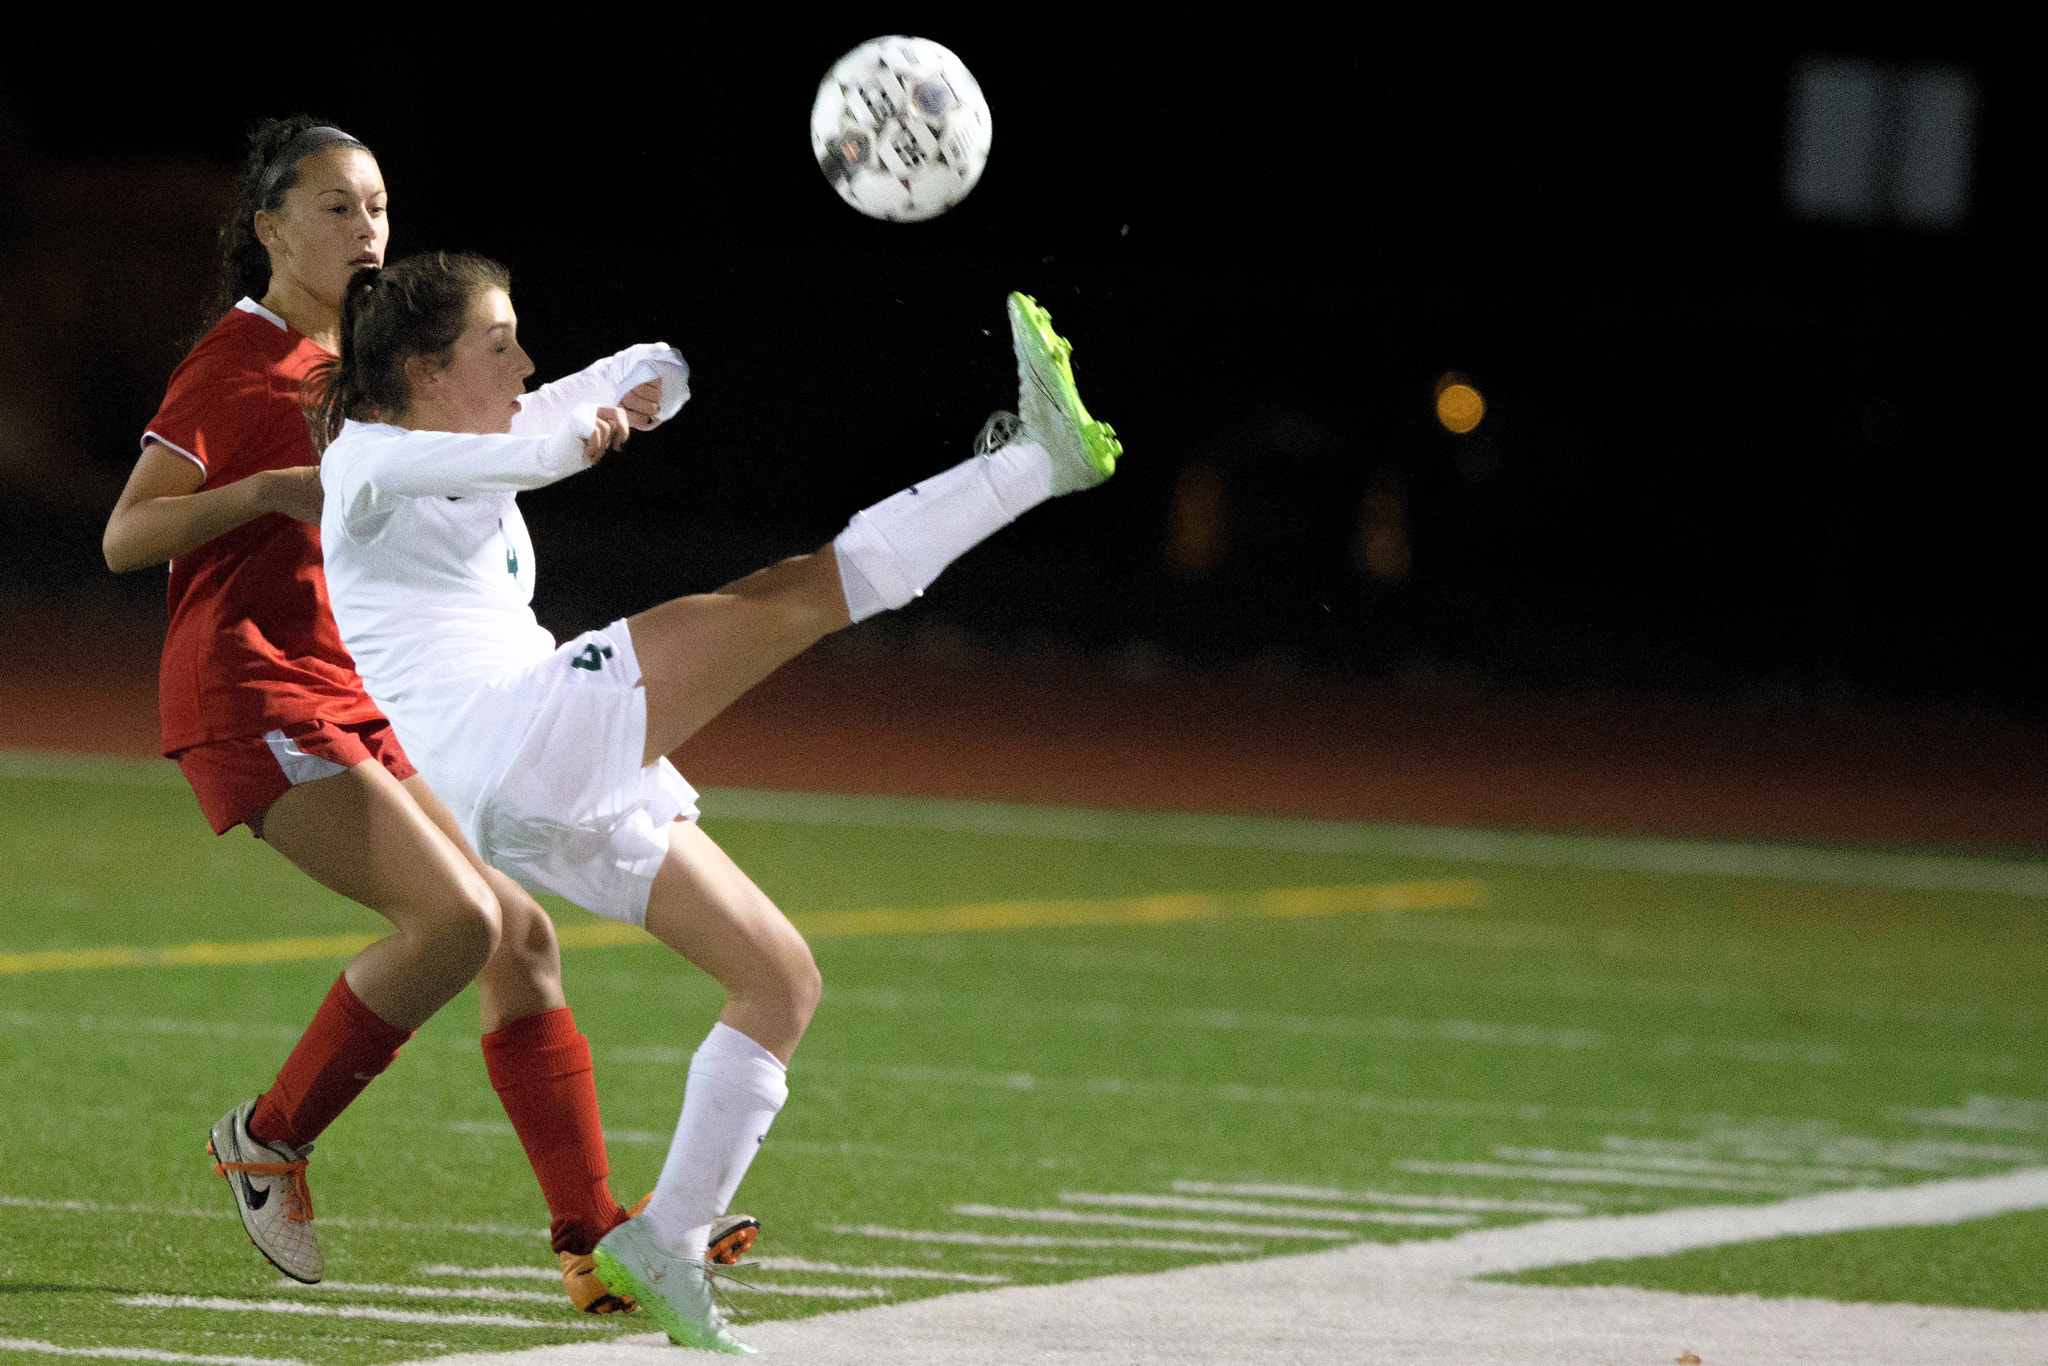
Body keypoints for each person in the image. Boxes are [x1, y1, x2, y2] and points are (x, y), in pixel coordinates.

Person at [311, 249, 1119, 1352]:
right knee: (789, 597)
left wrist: (653, 380)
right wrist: (575, 435)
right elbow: (541, 442)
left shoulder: (472, 427)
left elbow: (608, 381)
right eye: (499, 347)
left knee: (780, 980)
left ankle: (668, 1239)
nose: (523, 361)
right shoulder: (364, 458)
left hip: (537, 774)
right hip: (513, 740)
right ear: (420, 368)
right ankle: (1035, 464)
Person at [100, 117, 754, 1312]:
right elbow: (124, 535)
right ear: (269, 229)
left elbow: (503, 426)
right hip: (252, 688)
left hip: (351, 691)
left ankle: (590, 1240)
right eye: (338, 207)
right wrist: (267, 492)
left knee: (521, 939)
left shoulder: (370, 364)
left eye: (380, 208)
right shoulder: (240, 362)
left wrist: (623, 392)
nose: (368, 231)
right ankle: (268, 1136)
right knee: (456, 921)